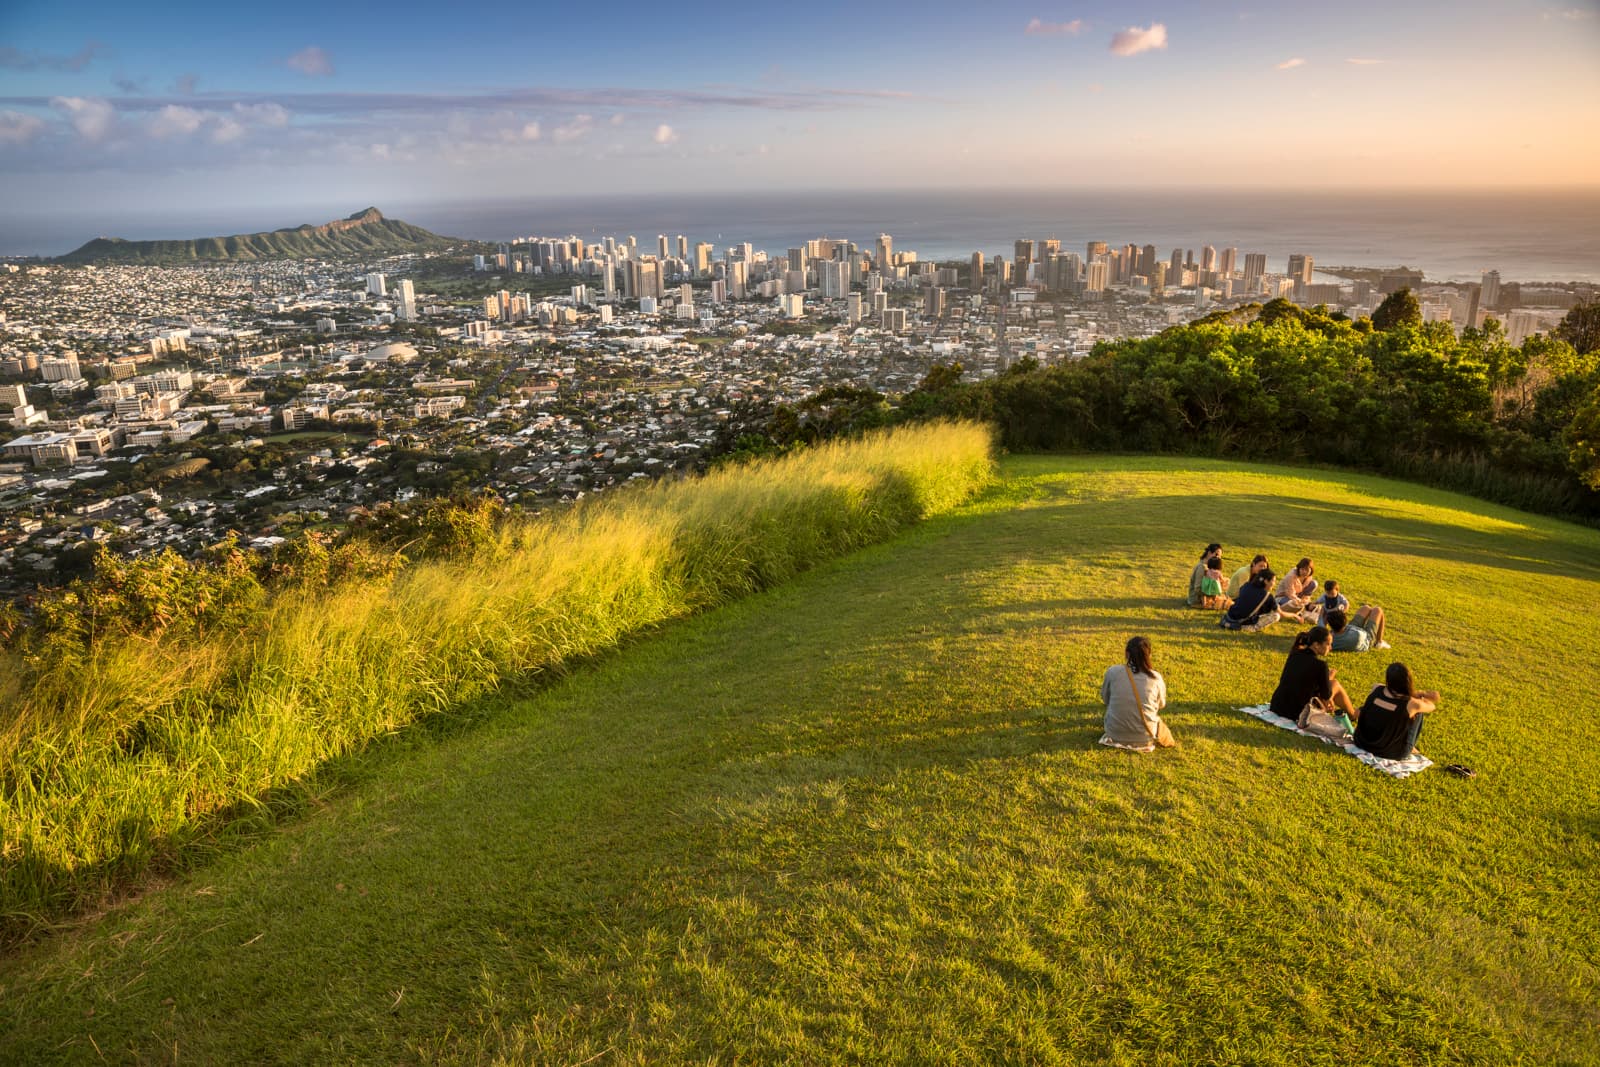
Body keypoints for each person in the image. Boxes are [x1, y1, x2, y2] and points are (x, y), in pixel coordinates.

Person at [1268, 625, 1358, 725]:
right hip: (1298, 714)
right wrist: (1330, 676)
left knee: (1328, 685)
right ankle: (1353, 715)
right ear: (1316, 645)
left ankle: (1352, 714)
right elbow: (1326, 695)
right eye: (1328, 644)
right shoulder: (1320, 665)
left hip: (1277, 706)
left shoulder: (1294, 654)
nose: (1331, 648)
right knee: (1335, 684)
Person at [1099, 636, 1174, 751]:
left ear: (1126, 654)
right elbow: (1161, 705)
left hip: (1114, 734)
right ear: (1149, 655)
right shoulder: (1156, 678)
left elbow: (1105, 698)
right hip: (1145, 737)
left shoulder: (1113, 672)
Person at [1353, 663, 1441, 760]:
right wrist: (1422, 694)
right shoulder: (1413, 704)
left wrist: (1414, 694)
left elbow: (1390, 692)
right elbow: (1431, 706)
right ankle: (1410, 746)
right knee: (1418, 713)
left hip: (1361, 742)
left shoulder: (1376, 688)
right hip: (1391, 752)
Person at [1325, 606, 1392, 652]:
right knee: (1378, 610)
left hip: (1347, 630)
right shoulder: (1357, 635)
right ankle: (1379, 642)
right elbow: (1363, 633)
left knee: (1365, 608)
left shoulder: (1329, 639)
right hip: (1366, 638)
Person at [1187, 543, 1223, 607]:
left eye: (1220, 556)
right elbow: (1198, 588)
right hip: (1197, 600)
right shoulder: (1202, 567)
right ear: (1209, 553)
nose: (1218, 558)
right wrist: (1211, 593)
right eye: (1216, 554)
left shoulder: (1210, 567)